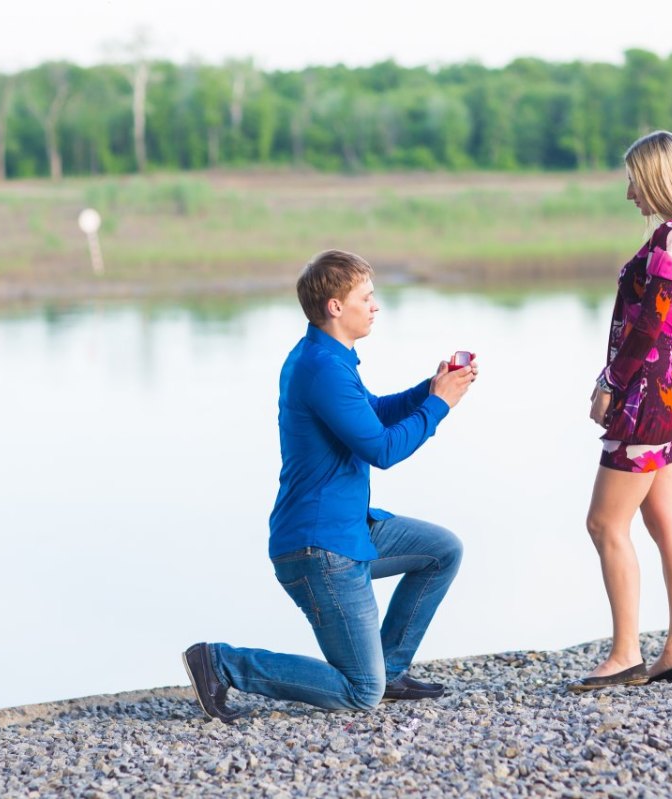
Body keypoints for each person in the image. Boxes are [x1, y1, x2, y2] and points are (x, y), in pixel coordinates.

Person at [183, 249, 477, 722]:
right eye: (367, 296)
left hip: (349, 531)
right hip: (320, 548)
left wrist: (430, 388)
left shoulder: (330, 357)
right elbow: (381, 450)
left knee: (443, 550)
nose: (376, 305)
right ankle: (222, 662)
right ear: (336, 307)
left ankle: (391, 670)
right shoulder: (319, 367)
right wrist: (439, 406)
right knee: (360, 692)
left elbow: (372, 412)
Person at [568, 130, 672, 691]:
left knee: (605, 522)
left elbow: (649, 322)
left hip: (646, 397)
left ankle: (625, 654)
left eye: (634, 177)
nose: (629, 190)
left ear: (657, 176)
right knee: (666, 523)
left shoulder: (670, 239)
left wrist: (610, 382)